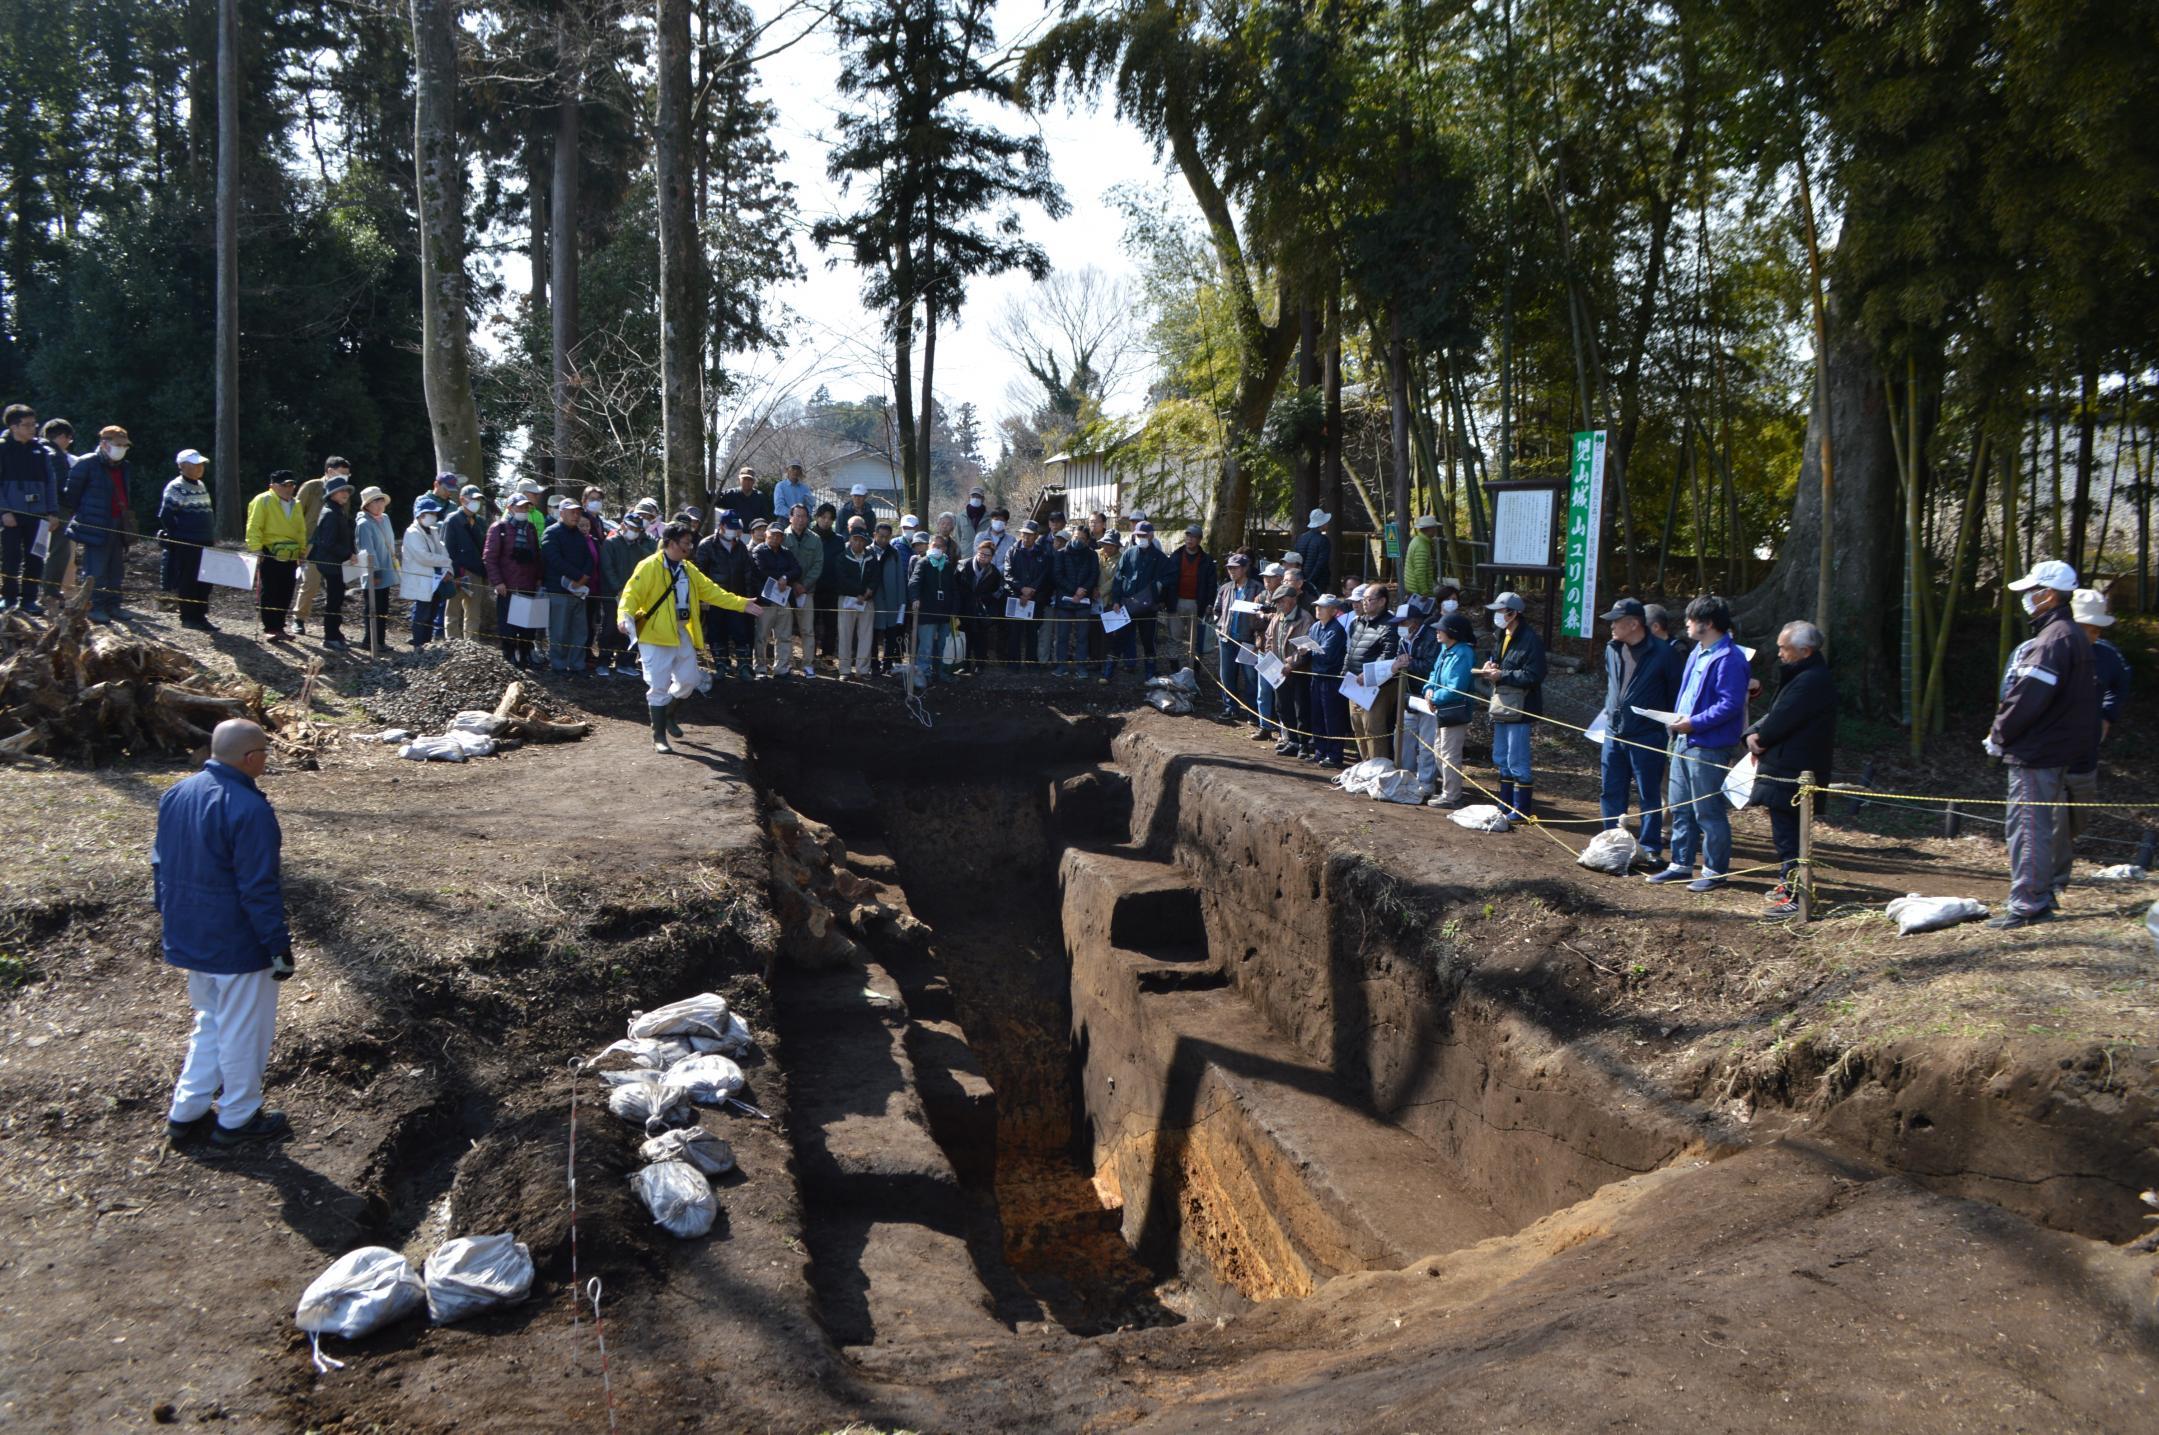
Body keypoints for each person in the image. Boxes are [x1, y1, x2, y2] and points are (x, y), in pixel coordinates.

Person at [156, 718, 295, 1147]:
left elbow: (159, 863)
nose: (267, 761)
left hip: (190, 933)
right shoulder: (249, 809)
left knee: (210, 1022)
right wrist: (277, 945)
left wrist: (170, 916)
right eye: (266, 754)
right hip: (235, 941)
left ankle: (187, 1109)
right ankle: (238, 1116)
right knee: (243, 1029)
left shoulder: (177, 793)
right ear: (250, 758)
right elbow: (258, 887)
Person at [1984, 559, 2095, 929]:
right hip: (2054, 747)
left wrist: (1999, 734)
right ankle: (2039, 895)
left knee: (2027, 827)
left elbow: (2027, 696)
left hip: (2037, 750)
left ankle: (2028, 904)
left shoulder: (2052, 639)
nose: (2027, 599)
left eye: (2032, 592)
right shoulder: (2070, 634)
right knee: (2038, 825)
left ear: (2048, 595)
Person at [617, 521, 762, 752]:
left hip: (680, 631)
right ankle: (659, 736)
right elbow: (630, 595)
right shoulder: (649, 566)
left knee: (689, 680)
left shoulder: (688, 569)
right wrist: (624, 616)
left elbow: (712, 591)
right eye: (686, 543)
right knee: (658, 685)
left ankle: (669, 714)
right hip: (655, 635)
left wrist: (741, 604)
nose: (690, 547)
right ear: (671, 543)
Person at [1646, 594, 1750, 892]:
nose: (1686, 624)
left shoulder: (1730, 658)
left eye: (1691, 620)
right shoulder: (1696, 652)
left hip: (1709, 743)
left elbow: (1730, 705)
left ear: (1708, 624)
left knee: (1707, 809)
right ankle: (1680, 863)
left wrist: (1694, 722)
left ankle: (1715, 869)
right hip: (1683, 738)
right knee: (1680, 805)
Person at [1744, 621, 1836, 919]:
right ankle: (1788, 886)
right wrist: (1753, 732)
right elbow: (1776, 712)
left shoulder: (1811, 680)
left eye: (1784, 648)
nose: (1779, 653)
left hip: (1793, 770)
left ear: (1804, 651)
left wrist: (1760, 736)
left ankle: (1795, 895)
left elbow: (1783, 717)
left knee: (1790, 837)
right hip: (1786, 766)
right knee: (1785, 833)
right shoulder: (1803, 675)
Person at [2054, 589, 2132, 893]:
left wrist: (2107, 717)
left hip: (2086, 756)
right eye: (2088, 628)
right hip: (2048, 754)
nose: (2093, 635)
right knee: (2054, 822)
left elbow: (2120, 684)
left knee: (2077, 820)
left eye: (2098, 629)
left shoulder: (2108, 655)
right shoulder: (2044, 649)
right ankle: (2052, 885)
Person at [1597, 597, 1683, 868]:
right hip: (1614, 732)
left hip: (1647, 735)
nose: (1611, 627)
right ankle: (1610, 839)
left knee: (1649, 794)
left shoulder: (1665, 653)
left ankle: (1650, 847)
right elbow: (1612, 684)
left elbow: (1675, 693)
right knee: (1611, 790)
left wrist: (1663, 724)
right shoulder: (1612, 648)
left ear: (1634, 624)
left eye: (1616, 621)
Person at [1476, 591, 1545, 820]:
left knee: (1517, 759)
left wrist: (1502, 675)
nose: (1497, 615)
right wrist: (1491, 665)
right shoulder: (1502, 634)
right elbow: (1499, 661)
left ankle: (1521, 808)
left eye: (1500, 611)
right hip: (1502, 704)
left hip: (1521, 707)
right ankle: (1504, 803)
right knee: (1501, 756)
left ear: (1513, 613)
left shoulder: (1531, 640)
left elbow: (1534, 675)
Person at [62, 425, 138, 623]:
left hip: (118, 523)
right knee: (96, 569)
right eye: (117, 444)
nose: (121, 448)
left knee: (116, 569)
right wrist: (86, 516)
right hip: (95, 524)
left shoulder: (125, 466)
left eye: (124, 445)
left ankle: (114, 605)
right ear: (104, 443)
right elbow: (72, 494)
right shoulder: (86, 463)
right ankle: (94, 607)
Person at [0, 403, 58, 612]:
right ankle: (9, 598)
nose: (33, 428)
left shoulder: (41, 450)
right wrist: (4, 511)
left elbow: (50, 482)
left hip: (39, 514)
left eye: (34, 424)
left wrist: (52, 512)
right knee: (11, 558)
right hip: (11, 516)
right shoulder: (3, 448)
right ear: (14, 426)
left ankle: (29, 599)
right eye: (27, 425)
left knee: (36, 557)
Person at [157, 448, 219, 630]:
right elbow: (166, 515)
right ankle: (189, 617)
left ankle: (201, 615)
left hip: (205, 541)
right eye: (195, 464)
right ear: (183, 466)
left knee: (204, 581)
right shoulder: (176, 487)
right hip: (187, 543)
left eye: (201, 464)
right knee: (189, 581)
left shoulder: (200, 484)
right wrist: (177, 536)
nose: (200, 468)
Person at [1102, 520, 1171, 682]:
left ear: (1151, 535)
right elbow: (1118, 578)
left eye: (1144, 535)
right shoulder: (1128, 553)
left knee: (1148, 641)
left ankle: (1150, 673)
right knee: (1118, 639)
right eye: (1138, 535)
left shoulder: (1160, 557)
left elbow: (1169, 578)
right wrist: (1117, 600)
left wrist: (1158, 591)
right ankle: (1108, 672)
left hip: (1149, 607)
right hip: (1127, 605)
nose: (1140, 538)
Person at [483, 490, 545, 667]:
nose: (524, 510)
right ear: (510, 508)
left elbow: (536, 555)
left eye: (526, 507)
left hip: (528, 584)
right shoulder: (498, 528)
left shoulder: (531, 529)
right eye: (520, 507)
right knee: (508, 626)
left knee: (527, 626)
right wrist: (498, 582)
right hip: (507, 587)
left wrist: (539, 577)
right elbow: (489, 557)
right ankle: (509, 657)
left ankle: (525, 656)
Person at [1423, 610, 1477, 807]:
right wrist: (1428, 690)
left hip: (1454, 710)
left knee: (1449, 753)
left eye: (1441, 629)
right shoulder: (1446, 650)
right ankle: (1448, 791)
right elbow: (1432, 673)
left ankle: (1452, 795)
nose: (1437, 632)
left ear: (1453, 632)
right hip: (1441, 709)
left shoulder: (1463, 653)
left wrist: (1435, 697)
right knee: (1439, 750)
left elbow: (1456, 687)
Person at [245, 470, 306, 641]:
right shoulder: (263, 500)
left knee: (286, 590)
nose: (289, 488)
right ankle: (270, 627)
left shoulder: (297, 503)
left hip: (291, 553)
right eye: (284, 485)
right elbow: (254, 525)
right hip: (270, 551)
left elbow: (301, 529)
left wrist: (302, 550)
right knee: (270, 590)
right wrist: (256, 548)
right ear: (272, 486)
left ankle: (279, 626)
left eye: (292, 485)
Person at [693, 513, 756, 678]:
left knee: (740, 633)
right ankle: (721, 665)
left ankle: (743, 665)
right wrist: (703, 598)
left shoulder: (740, 547)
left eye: (736, 529)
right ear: (721, 526)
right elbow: (699, 572)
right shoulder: (707, 545)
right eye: (730, 528)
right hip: (715, 599)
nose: (733, 532)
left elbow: (747, 573)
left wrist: (748, 598)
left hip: (737, 598)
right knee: (716, 633)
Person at [535, 496, 593, 671]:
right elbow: (553, 559)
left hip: (579, 591)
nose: (575, 516)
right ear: (561, 513)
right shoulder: (551, 532)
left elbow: (589, 558)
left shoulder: (579, 535)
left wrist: (585, 576)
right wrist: (577, 576)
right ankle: (558, 666)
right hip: (558, 590)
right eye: (572, 512)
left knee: (579, 631)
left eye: (577, 512)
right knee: (559, 631)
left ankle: (577, 665)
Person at [1344, 584, 1401, 760]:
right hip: (1354, 683)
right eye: (1363, 600)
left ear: (1382, 601)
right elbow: (1351, 649)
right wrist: (1345, 671)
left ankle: (1378, 771)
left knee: (1373, 729)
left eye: (1369, 599)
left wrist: (1369, 675)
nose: (1364, 603)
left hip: (1378, 687)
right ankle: (1365, 765)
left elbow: (1388, 655)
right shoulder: (1358, 622)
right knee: (1358, 728)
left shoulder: (1390, 626)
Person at [598, 509, 655, 679]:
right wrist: (618, 588)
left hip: (633, 595)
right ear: (623, 525)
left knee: (631, 629)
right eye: (632, 528)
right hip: (612, 594)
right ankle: (603, 661)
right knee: (609, 628)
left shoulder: (640, 547)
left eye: (638, 530)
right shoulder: (610, 543)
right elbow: (607, 568)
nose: (634, 533)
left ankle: (626, 662)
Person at [291, 458, 346, 634]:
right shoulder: (311, 487)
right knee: (310, 583)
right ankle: (299, 618)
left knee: (335, 589)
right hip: (311, 546)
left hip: (333, 549)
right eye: (341, 473)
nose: (345, 477)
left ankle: (332, 627)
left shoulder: (343, 492)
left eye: (347, 474)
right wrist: (299, 544)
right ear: (329, 471)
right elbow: (296, 513)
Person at [1391, 595, 1441, 778]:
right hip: (1408, 697)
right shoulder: (1402, 639)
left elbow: (1431, 667)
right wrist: (1401, 662)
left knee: (1427, 745)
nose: (1399, 627)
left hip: (1427, 697)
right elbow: (1399, 659)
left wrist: (1408, 663)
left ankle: (1426, 783)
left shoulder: (1431, 638)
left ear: (1414, 623)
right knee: (1402, 741)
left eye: (1402, 623)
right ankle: (1405, 777)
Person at [306, 473, 357, 650]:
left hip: (337, 563)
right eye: (341, 491)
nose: (345, 494)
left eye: (346, 491)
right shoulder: (330, 513)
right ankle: (330, 636)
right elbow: (327, 542)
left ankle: (336, 633)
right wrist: (348, 554)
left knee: (337, 598)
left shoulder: (337, 511)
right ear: (332, 494)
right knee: (333, 599)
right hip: (331, 564)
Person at [752, 518, 806, 677]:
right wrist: (782, 578)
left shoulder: (786, 552)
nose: (776, 538)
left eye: (779, 535)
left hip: (784, 600)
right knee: (762, 636)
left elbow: (797, 569)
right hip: (765, 601)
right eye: (773, 534)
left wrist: (785, 577)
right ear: (766, 534)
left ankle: (781, 667)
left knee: (784, 636)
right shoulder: (758, 551)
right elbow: (762, 570)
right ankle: (760, 667)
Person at [1267, 583, 1314, 758]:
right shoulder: (1277, 618)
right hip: (1278, 672)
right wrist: (1269, 658)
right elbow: (1269, 638)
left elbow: (1305, 648)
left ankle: (1304, 745)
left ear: (1293, 600)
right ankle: (1292, 741)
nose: (1279, 605)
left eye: (1282, 601)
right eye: (1277, 602)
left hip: (1298, 673)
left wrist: (1291, 665)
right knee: (1282, 707)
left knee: (1300, 709)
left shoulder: (1305, 619)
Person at [831, 519, 881, 679]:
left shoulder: (871, 557)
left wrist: (869, 591)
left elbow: (876, 577)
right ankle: (844, 670)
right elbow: (841, 579)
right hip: (847, 599)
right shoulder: (841, 557)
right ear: (850, 539)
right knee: (845, 634)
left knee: (866, 635)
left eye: (861, 540)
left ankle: (863, 670)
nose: (858, 543)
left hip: (867, 600)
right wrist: (858, 591)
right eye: (855, 539)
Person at [1211, 552, 1260, 718]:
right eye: (1229, 568)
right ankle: (1230, 708)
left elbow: (1262, 612)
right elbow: (1216, 610)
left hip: (1248, 640)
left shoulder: (1257, 588)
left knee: (1250, 677)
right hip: (1226, 639)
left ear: (1245, 568)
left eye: (1235, 568)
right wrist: (1219, 625)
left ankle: (1253, 712)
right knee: (1227, 676)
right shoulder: (1225, 588)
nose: (1231, 571)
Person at [908, 532, 962, 685]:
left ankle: (943, 673)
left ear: (945, 549)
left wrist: (954, 611)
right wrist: (915, 599)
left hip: (945, 614)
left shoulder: (948, 566)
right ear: (929, 546)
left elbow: (954, 590)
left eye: (940, 546)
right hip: (927, 613)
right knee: (926, 647)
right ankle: (924, 674)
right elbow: (914, 583)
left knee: (944, 647)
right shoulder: (923, 563)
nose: (937, 548)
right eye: (934, 546)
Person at [33, 418, 74, 614]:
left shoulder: (33, 450)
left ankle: (31, 592)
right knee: (60, 551)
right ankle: (50, 591)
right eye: (69, 438)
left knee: (36, 551)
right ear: (62, 436)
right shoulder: (56, 455)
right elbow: (60, 486)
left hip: (33, 507)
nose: (68, 443)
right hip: (56, 509)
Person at [443, 483, 492, 641]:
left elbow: (485, 547)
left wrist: (485, 573)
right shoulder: (452, 520)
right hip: (457, 573)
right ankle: (452, 644)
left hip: (476, 573)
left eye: (479, 500)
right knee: (453, 612)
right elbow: (448, 549)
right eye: (473, 499)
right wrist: (454, 573)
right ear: (462, 499)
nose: (476, 503)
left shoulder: (481, 522)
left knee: (473, 614)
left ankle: (472, 646)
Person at [1166, 525, 1218, 673]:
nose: (1189, 539)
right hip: (1176, 602)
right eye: (1188, 536)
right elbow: (1168, 580)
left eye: (1193, 536)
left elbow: (1211, 584)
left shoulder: (1207, 560)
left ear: (1199, 539)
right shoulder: (1175, 556)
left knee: (1195, 641)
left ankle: (1193, 671)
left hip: (1197, 603)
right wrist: (1165, 600)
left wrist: (1209, 603)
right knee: (1174, 637)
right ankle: (1174, 671)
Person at [1306, 593, 1349, 768]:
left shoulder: (1337, 630)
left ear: (1333, 610)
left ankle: (1334, 754)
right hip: (1316, 676)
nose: (1318, 609)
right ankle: (1320, 750)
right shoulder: (1315, 627)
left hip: (1331, 679)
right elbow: (1313, 648)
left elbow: (1327, 654)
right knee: (1316, 715)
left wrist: (1309, 651)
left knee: (1332, 717)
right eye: (1317, 606)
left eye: (1322, 607)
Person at [779, 503, 823, 675]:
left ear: (808, 518)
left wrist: (804, 585)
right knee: (784, 630)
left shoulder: (815, 539)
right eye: (797, 515)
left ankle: (808, 664)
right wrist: (792, 583)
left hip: (807, 591)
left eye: (803, 516)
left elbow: (818, 565)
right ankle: (786, 664)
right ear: (790, 517)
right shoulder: (782, 537)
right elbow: (778, 563)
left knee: (807, 630)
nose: (800, 519)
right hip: (785, 591)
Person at [1051, 523, 1099, 677]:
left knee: (1082, 637)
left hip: (1084, 601)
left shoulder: (1092, 555)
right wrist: (1074, 590)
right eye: (1076, 537)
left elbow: (1094, 575)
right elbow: (1057, 576)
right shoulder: (1060, 553)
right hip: (1065, 600)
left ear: (1087, 541)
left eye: (1082, 539)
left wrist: (1084, 590)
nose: (1078, 540)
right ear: (1072, 536)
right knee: (1062, 636)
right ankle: (1061, 666)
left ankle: (1081, 667)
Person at [354, 486, 398, 650]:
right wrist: (375, 572)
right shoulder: (364, 523)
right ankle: (370, 641)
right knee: (372, 605)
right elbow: (366, 550)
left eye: (380, 500)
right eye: (375, 501)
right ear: (367, 505)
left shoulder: (385, 518)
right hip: (373, 571)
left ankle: (380, 640)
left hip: (387, 567)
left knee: (383, 605)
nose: (379, 505)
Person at [1002, 520, 1052, 668]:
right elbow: (1007, 574)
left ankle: (1031, 663)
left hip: (1035, 598)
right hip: (1015, 597)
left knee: (1032, 632)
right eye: (1024, 534)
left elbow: (1044, 576)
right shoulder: (1012, 550)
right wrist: (1021, 589)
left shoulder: (1043, 553)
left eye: (1030, 535)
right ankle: (1013, 664)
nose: (1026, 537)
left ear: (1036, 536)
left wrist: (1031, 591)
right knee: (1014, 632)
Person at [1249, 561, 1286, 741]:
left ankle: (1282, 729)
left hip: (1281, 652)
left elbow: (1281, 620)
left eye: (1270, 578)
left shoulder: (1285, 597)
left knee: (1280, 692)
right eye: (1265, 577)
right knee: (1262, 691)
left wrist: (1265, 616)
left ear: (1280, 578)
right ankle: (1264, 726)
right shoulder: (1260, 597)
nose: (1266, 581)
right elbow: (1254, 622)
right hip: (1263, 648)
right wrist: (1266, 618)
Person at [959, 537, 1005, 674]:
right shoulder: (963, 566)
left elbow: (997, 592)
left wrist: (989, 606)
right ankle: (965, 665)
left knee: (980, 638)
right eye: (981, 553)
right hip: (965, 608)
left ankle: (980, 664)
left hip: (983, 610)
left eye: (987, 555)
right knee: (965, 638)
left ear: (992, 557)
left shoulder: (994, 573)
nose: (983, 557)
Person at [870, 521, 909, 677]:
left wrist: (902, 601)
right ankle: (873, 663)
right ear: (875, 535)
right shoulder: (868, 551)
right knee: (872, 634)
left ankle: (887, 663)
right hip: (874, 599)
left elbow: (900, 578)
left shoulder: (894, 553)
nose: (884, 540)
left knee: (891, 634)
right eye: (881, 536)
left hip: (892, 599)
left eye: (887, 537)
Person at [812, 502, 846, 670]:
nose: (826, 521)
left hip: (832, 589)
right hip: (812, 587)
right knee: (810, 624)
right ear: (817, 517)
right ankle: (809, 657)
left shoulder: (839, 540)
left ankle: (827, 657)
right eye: (823, 517)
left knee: (831, 625)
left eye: (829, 518)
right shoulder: (809, 536)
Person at [1293, 507, 1333, 594]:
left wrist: (1301, 578)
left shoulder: (1302, 537)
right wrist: (1310, 580)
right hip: (1318, 581)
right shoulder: (1323, 540)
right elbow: (1321, 563)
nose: (1328, 523)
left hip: (1301, 579)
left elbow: (1297, 560)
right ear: (1321, 523)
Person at [1403, 514, 1440, 602]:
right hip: (1418, 591)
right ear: (1429, 529)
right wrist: (1424, 592)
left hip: (1413, 587)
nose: (1435, 530)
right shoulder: (1421, 546)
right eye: (1434, 528)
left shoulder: (1418, 540)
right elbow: (1420, 572)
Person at [957, 486, 990, 551]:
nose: (975, 498)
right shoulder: (960, 516)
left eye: (978, 497)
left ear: (983, 499)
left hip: (982, 556)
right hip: (965, 556)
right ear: (969, 498)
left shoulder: (989, 517)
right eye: (973, 496)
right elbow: (958, 538)